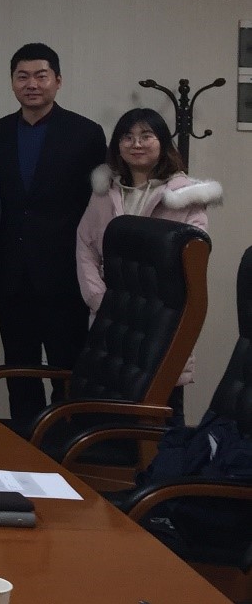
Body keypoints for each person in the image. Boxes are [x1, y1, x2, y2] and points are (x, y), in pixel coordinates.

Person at [0, 42, 106, 423]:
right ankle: (24, 440)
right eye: (22, 77)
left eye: (40, 76)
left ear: (58, 81)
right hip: (12, 276)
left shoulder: (86, 133)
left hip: (65, 274)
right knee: (19, 369)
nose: (31, 84)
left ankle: (67, 443)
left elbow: (96, 207)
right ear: (12, 83)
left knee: (68, 368)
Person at [76, 107, 221, 416]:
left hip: (162, 316)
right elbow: (85, 246)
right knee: (111, 401)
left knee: (162, 407)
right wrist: (99, 299)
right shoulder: (104, 192)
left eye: (146, 136)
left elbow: (193, 258)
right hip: (111, 313)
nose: (136, 144)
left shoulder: (186, 196)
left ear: (163, 142)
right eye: (127, 137)